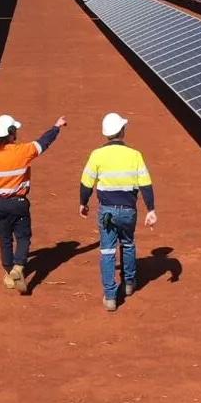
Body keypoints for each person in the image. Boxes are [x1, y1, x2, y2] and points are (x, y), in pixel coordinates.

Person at [0, 113, 67, 293]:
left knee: (4, 240)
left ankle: (9, 274)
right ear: (11, 133)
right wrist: (56, 126)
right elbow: (44, 142)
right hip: (19, 203)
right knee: (23, 237)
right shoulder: (23, 151)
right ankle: (18, 268)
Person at [79, 112, 157, 311]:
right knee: (128, 244)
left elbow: (86, 183)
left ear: (106, 134)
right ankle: (129, 284)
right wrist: (151, 209)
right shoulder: (135, 155)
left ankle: (110, 296)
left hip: (107, 211)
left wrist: (83, 203)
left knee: (107, 251)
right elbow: (146, 185)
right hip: (129, 210)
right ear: (122, 131)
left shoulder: (97, 155)